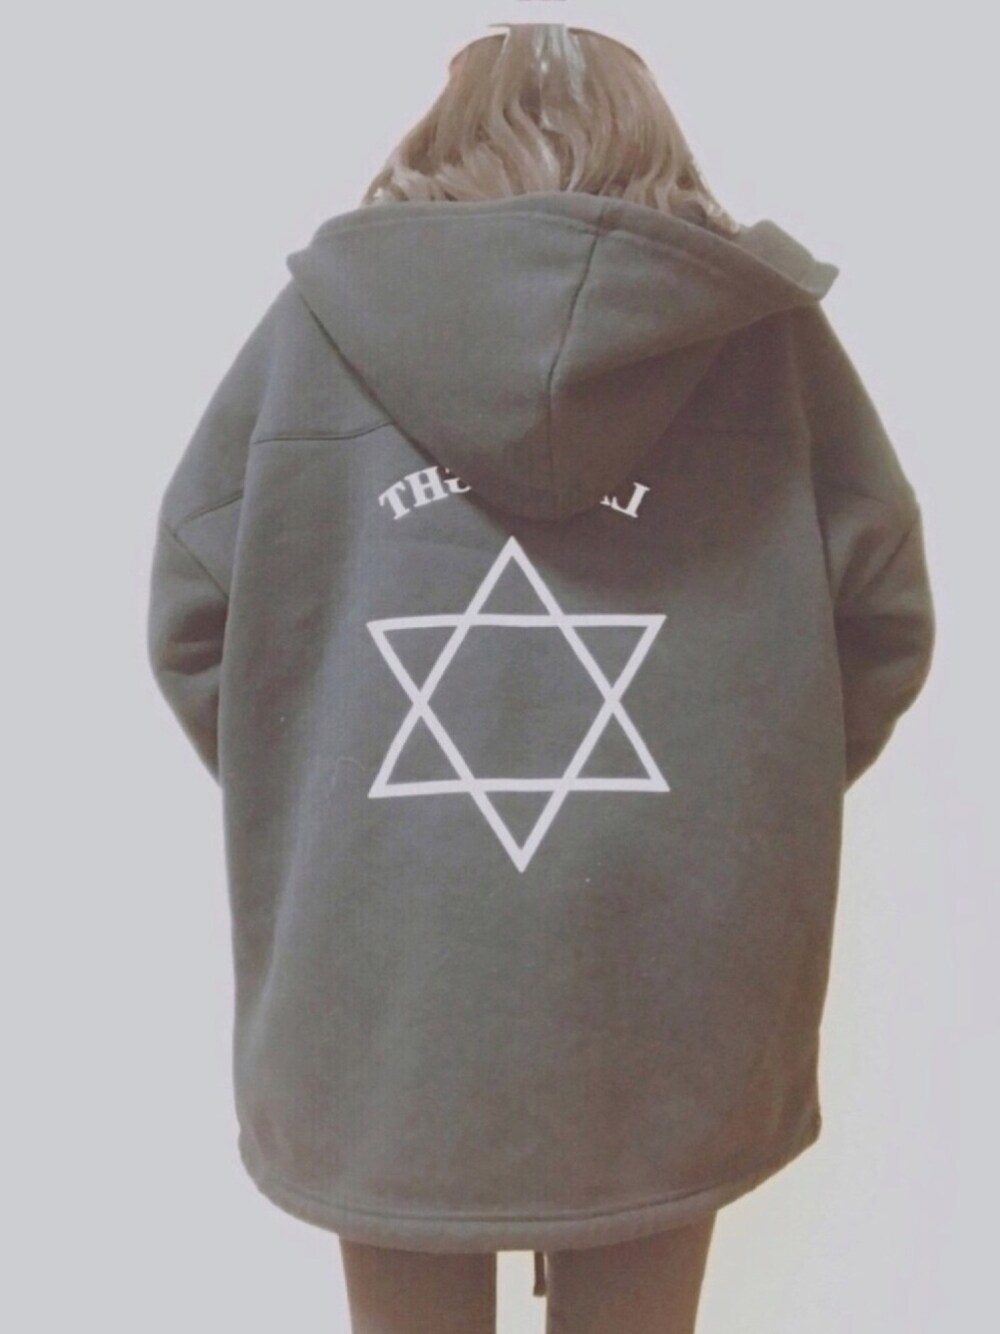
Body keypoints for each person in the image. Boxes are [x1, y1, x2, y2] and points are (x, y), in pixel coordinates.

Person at [146, 22, 936, 1334]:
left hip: (382, 991)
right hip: (677, 985)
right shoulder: (760, 345)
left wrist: (318, 787)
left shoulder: (317, 337)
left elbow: (193, 610)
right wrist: (753, 791)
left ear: (441, 137)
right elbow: (884, 614)